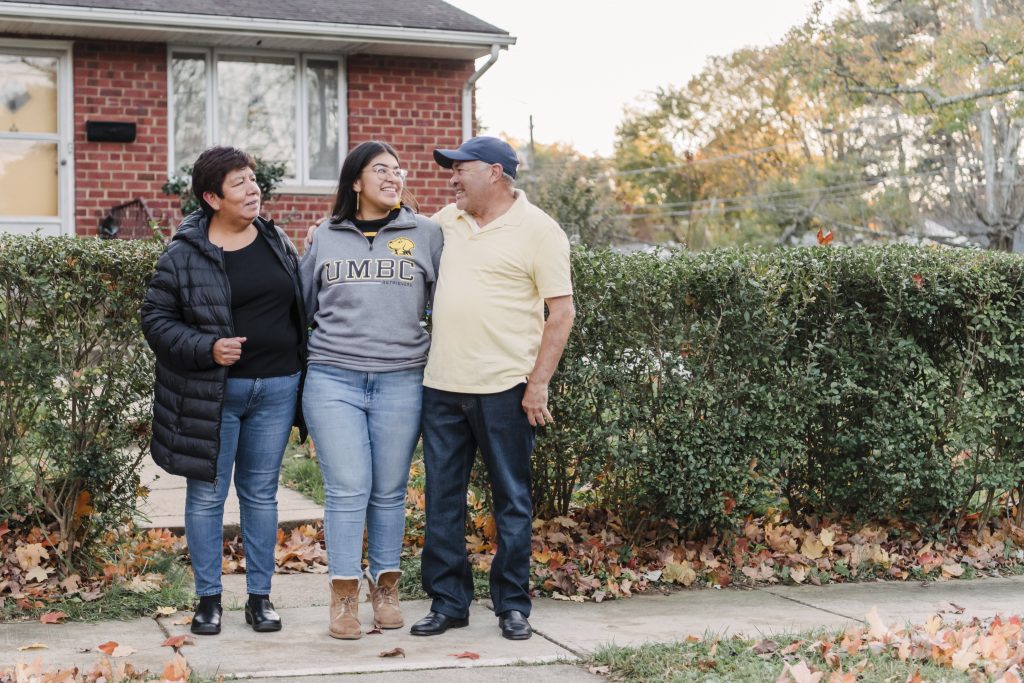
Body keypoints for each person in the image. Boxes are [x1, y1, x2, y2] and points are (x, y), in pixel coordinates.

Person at [410, 136, 575, 641]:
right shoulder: (444, 223)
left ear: (497, 174)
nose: (451, 177)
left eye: (461, 169)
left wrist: (538, 385)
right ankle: (448, 602)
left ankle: (512, 605)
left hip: (506, 389)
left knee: (511, 500)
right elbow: (397, 249)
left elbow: (561, 312)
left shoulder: (540, 231)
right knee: (442, 500)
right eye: (451, 170)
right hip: (441, 387)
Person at [141, 146, 306, 637]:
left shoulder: (276, 241)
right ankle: (208, 599)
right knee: (209, 496)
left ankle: (260, 597)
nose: (253, 188)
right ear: (213, 197)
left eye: (253, 179)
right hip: (214, 394)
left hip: (277, 388)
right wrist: (208, 348)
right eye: (239, 183)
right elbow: (155, 320)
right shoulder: (184, 252)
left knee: (260, 495)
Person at [300, 140, 442, 640]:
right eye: (380, 170)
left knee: (388, 491)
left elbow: (446, 303)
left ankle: (386, 588)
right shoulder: (324, 237)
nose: (393, 177)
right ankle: (342, 599)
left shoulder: (427, 234)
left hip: (402, 378)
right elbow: (303, 308)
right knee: (347, 488)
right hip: (333, 377)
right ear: (355, 182)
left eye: (398, 171)